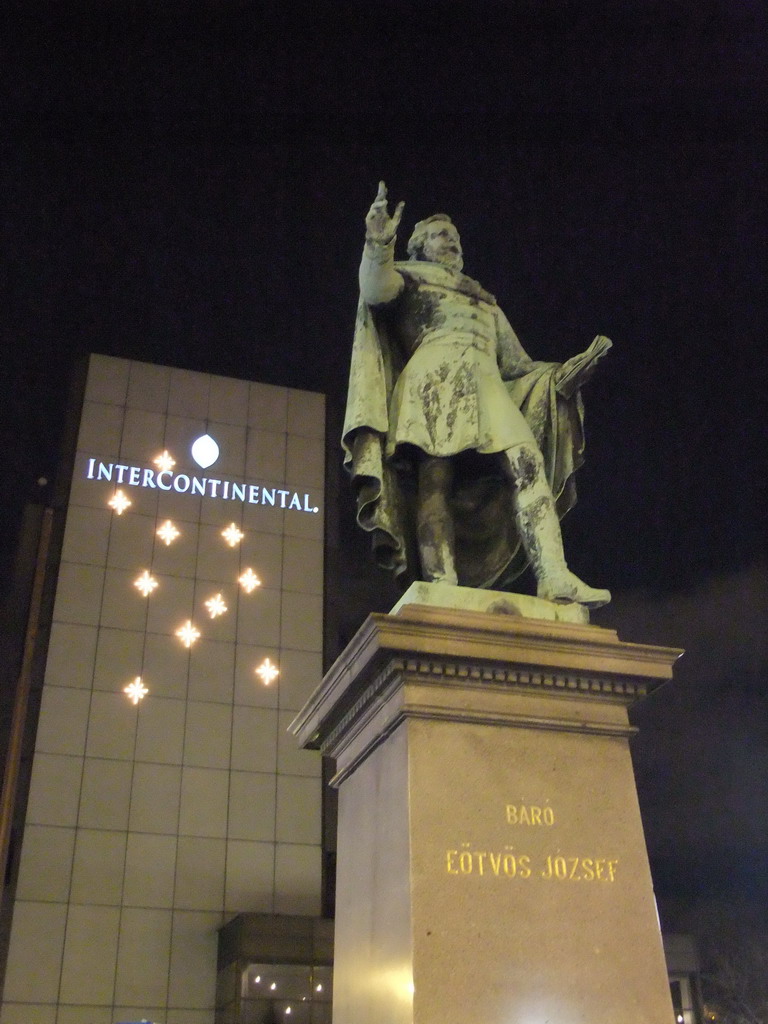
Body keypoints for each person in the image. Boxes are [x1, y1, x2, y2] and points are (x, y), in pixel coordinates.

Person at [342, 182, 612, 607]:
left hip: (487, 387)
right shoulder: (410, 279)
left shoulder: (485, 300)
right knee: (436, 478)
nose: (452, 243)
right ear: (420, 246)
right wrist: (378, 242)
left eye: (456, 238)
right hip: (434, 379)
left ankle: (554, 574)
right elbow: (375, 290)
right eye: (441, 236)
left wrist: (565, 376)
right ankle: (440, 579)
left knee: (527, 464)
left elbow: (519, 366)